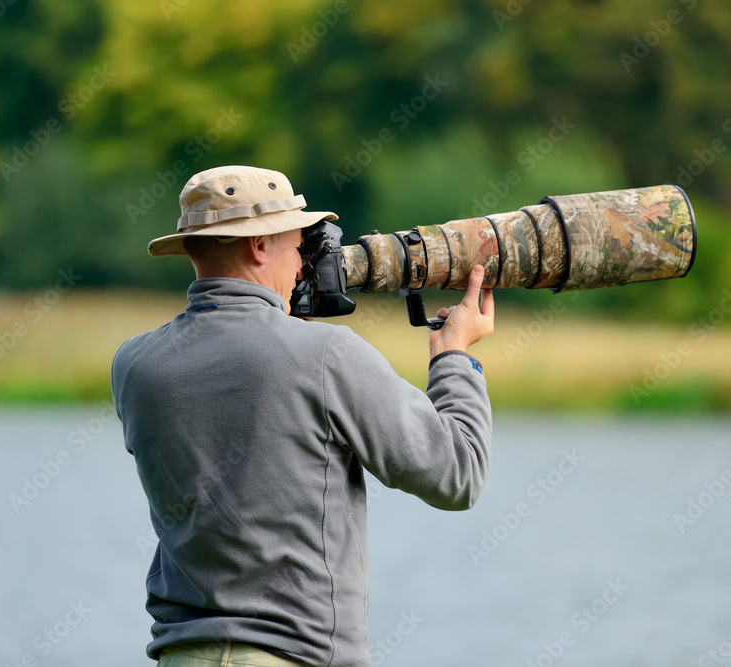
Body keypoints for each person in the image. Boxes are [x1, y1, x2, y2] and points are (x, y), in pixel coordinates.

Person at [111, 165, 494, 667]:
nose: (302, 265)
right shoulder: (325, 354)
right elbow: (456, 475)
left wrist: (282, 324)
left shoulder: (134, 364)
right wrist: (453, 355)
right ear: (258, 246)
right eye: (297, 247)